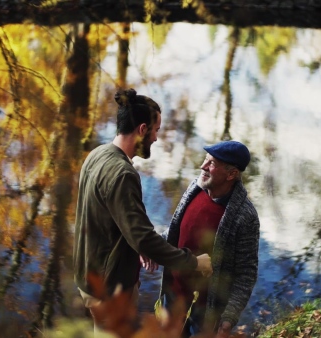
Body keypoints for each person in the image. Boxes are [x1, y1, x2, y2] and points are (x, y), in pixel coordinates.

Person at [72, 88, 213, 330]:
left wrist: (134, 243)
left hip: (89, 278)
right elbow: (145, 239)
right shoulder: (123, 173)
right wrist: (194, 262)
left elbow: (109, 219)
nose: (157, 138)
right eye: (156, 130)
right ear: (142, 130)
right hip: (111, 291)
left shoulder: (96, 155)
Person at [158, 140, 260, 338]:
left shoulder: (245, 216)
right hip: (173, 295)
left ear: (232, 174)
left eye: (212, 164)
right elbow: (176, 232)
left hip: (207, 311)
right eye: (205, 160)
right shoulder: (194, 189)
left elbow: (246, 273)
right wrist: (152, 247)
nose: (203, 167)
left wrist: (228, 319)